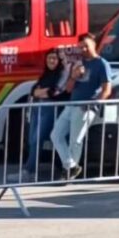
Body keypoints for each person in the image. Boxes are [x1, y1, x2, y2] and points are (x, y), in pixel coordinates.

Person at [51, 33, 113, 180]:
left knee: (75, 140)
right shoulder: (79, 63)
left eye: (86, 45)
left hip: (86, 106)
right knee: (56, 135)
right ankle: (72, 166)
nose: (83, 49)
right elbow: (68, 89)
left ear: (94, 44)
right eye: (80, 47)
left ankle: (68, 173)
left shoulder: (102, 64)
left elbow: (107, 90)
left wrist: (93, 104)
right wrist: (74, 76)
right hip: (72, 104)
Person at [21, 49, 71, 180]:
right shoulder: (46, 73)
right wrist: (40, 92)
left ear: (59, 60)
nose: (51, 61)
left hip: (51, 109)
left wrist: (40, 92)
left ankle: (29, 171)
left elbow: (54, 92)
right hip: (39, 107)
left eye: (54, 58)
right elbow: (33, 90)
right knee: (32, 139)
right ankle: (30, 170)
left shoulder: (62, 73)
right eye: (49, 58)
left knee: (38, 139)